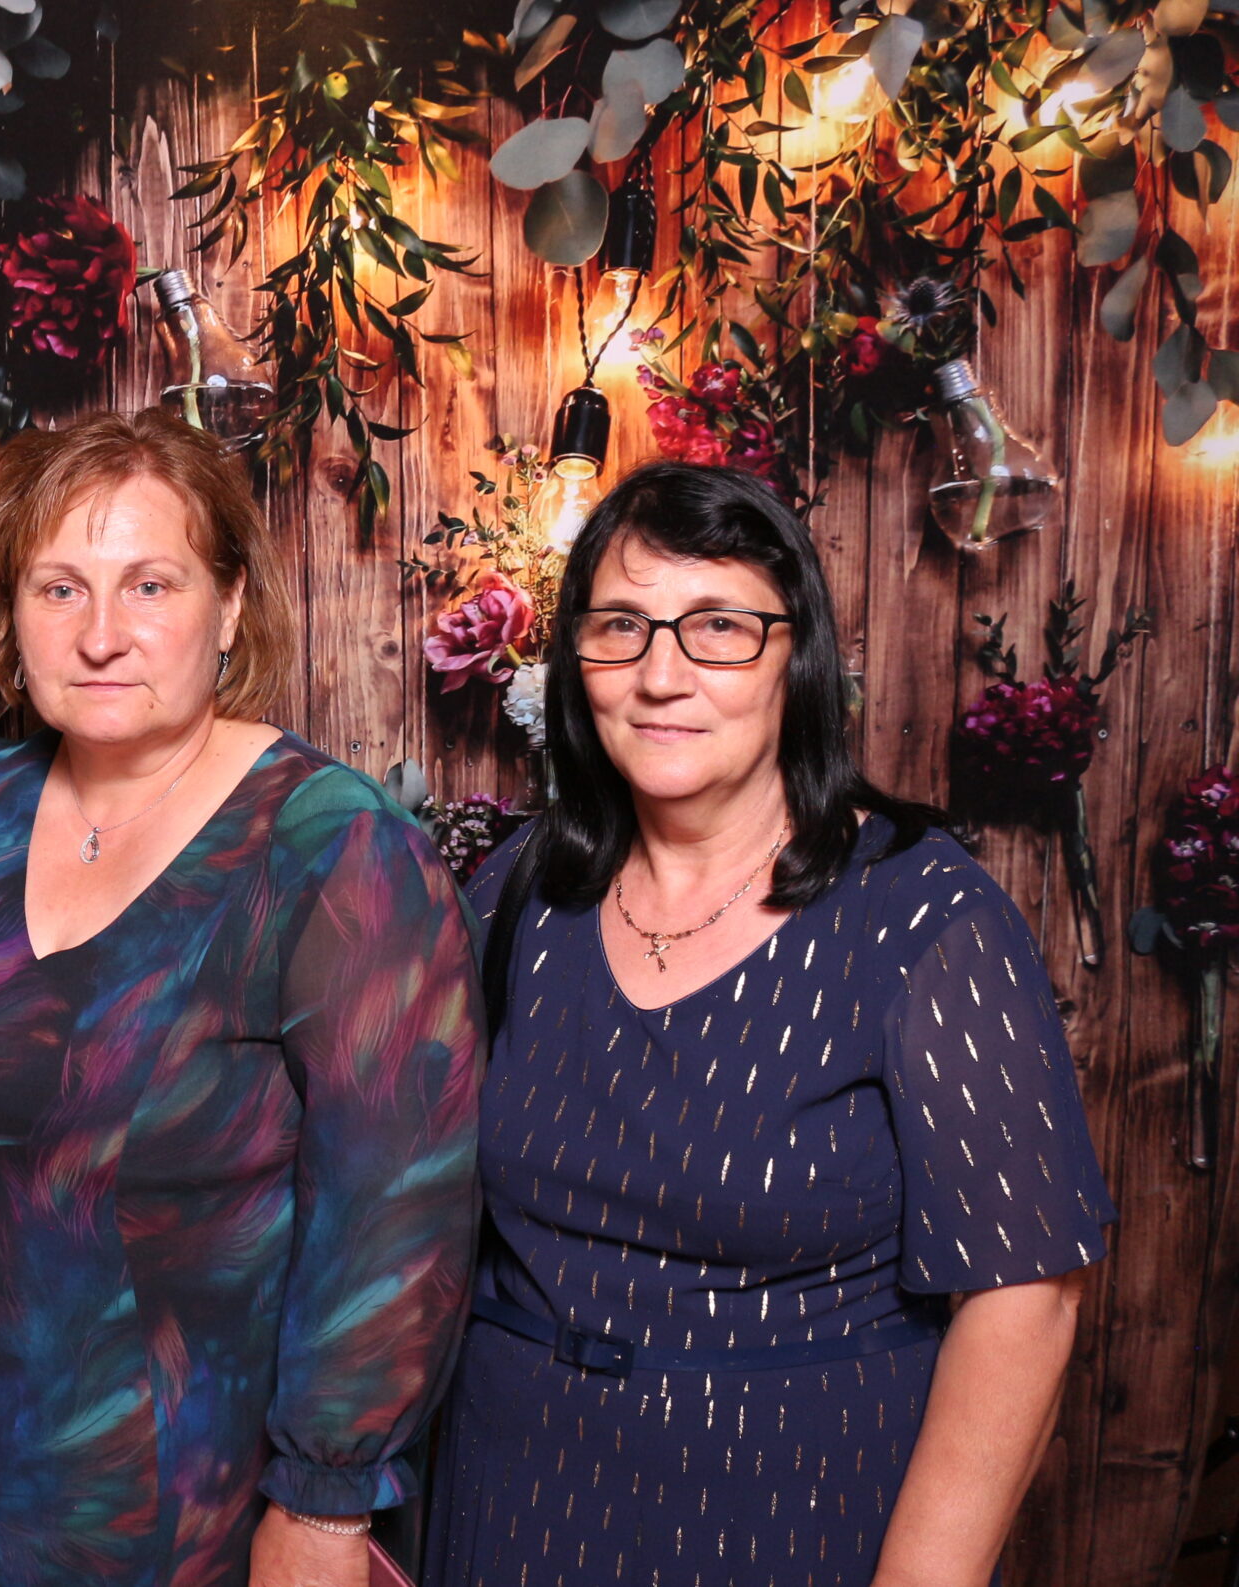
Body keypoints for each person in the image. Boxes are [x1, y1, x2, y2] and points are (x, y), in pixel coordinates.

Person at [423, 462, 1115, 1587]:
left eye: (719, 628)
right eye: (620, 627)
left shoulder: (924, 917)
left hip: (792, 1517)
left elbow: (1025, 1302)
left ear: (797, 657)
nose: (660, 676)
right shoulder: (519, 892)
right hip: (515, 1506)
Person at [0, 409, 483, 1587]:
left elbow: (396, 1217)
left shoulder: (334, 849)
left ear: (228, 606)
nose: (101, 635)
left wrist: (325, 1508)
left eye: (150, 584)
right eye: (58, 589)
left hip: (198, 1512)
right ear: (9, 614)